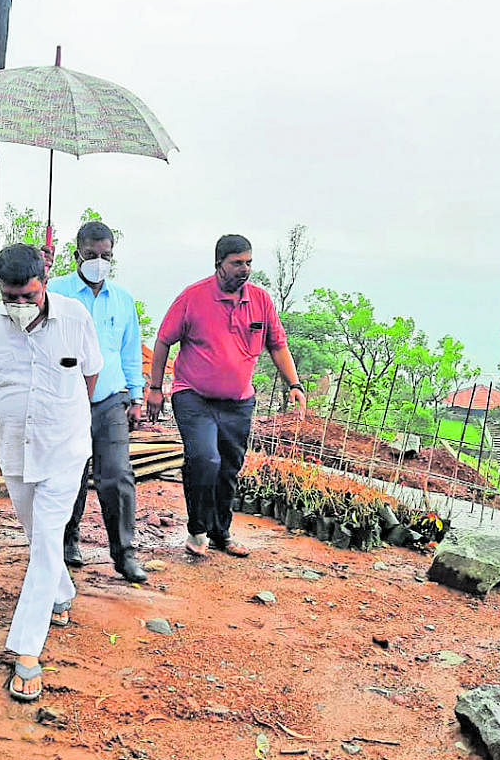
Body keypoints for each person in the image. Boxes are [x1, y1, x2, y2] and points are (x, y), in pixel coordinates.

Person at [0, 244, 102, 701]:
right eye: (12, 296)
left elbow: (91, 375)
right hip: (14, 447)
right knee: (36, 535)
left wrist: (64, 413)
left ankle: (27, 650)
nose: (21, 304)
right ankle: (61, 594)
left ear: (43, 282)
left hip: (64, 446)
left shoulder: (74, 318)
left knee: (47, 537)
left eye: (29, 294)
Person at [147, 234, 306, 558]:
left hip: (238, 401)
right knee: (204, 459)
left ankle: (220, 533)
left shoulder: (260, 300)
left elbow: (277, 345)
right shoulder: (193, 297)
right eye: (237, 263)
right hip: (194, 395)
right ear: (219, 263)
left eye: (248, 262)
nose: (244, 269)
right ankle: (197, 530)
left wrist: (295, 385)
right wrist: (154, 389)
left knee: (228, 468)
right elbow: (163, 341)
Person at [46, 221, 147, 583]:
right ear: (77, 255)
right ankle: (67, 541)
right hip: (66, 398)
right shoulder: (54, 292)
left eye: (105, 256)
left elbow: (129, 351)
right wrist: (38, 278)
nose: (98, 261)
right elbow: (27, 322)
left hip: (110, 399)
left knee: (117, 476)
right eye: (91, 255)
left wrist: (136, 396)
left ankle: (124, 555)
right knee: (69, 474)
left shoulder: (122, 299)